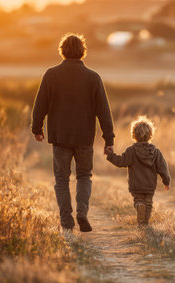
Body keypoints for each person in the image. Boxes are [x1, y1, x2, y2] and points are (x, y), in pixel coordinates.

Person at [31, 33, 114, 232]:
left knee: (61, 179)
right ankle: (82, 213)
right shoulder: (93, 77)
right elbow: (104, 111)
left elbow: (39, 105)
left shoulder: (51, 74)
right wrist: (108, 139)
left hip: (60, 138)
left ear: (62, 51)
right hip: (84, 138)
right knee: (84, 176)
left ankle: (66, 219)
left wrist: (37, 128)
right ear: (83, 52)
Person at [104, 116, 170, 227]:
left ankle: (139, 208)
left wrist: (111, 156)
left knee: (139, 200)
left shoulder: (132, 151)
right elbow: (163, 168)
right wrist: (166, 181)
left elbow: (121, 162)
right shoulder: (156, 152)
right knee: (148, 202)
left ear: (134, 135)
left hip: (136, 185)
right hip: (149, 185)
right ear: (150, 134)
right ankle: (144, 223)